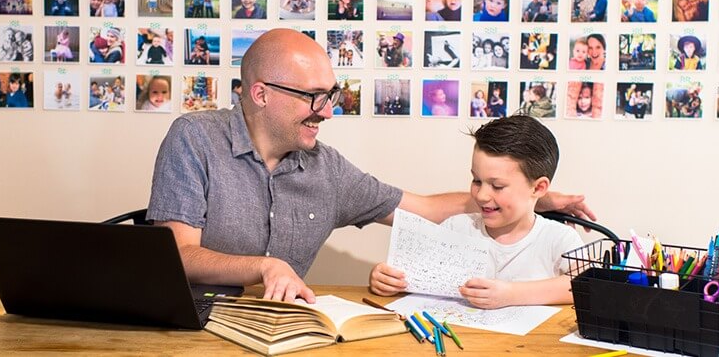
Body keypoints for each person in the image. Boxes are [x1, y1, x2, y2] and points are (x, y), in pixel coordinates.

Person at [146, 28, 594, 302]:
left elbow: (422, 209)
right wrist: (263, 266)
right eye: (313, 97)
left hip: (283, 329)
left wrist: (526, 198)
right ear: (261, 94)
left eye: (332, 95)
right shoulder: (195, 139)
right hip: (191, 323)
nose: (327, 111)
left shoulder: (327, 169)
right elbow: (177, 256)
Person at [370, 114, 582, 308]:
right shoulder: (456, 228)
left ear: (538, 188)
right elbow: (410, 277)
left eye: (497, 186)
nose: (481, 195)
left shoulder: (559, 239)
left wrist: (511, 294)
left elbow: (587, 285)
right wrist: (387, 280)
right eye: (476, 180)